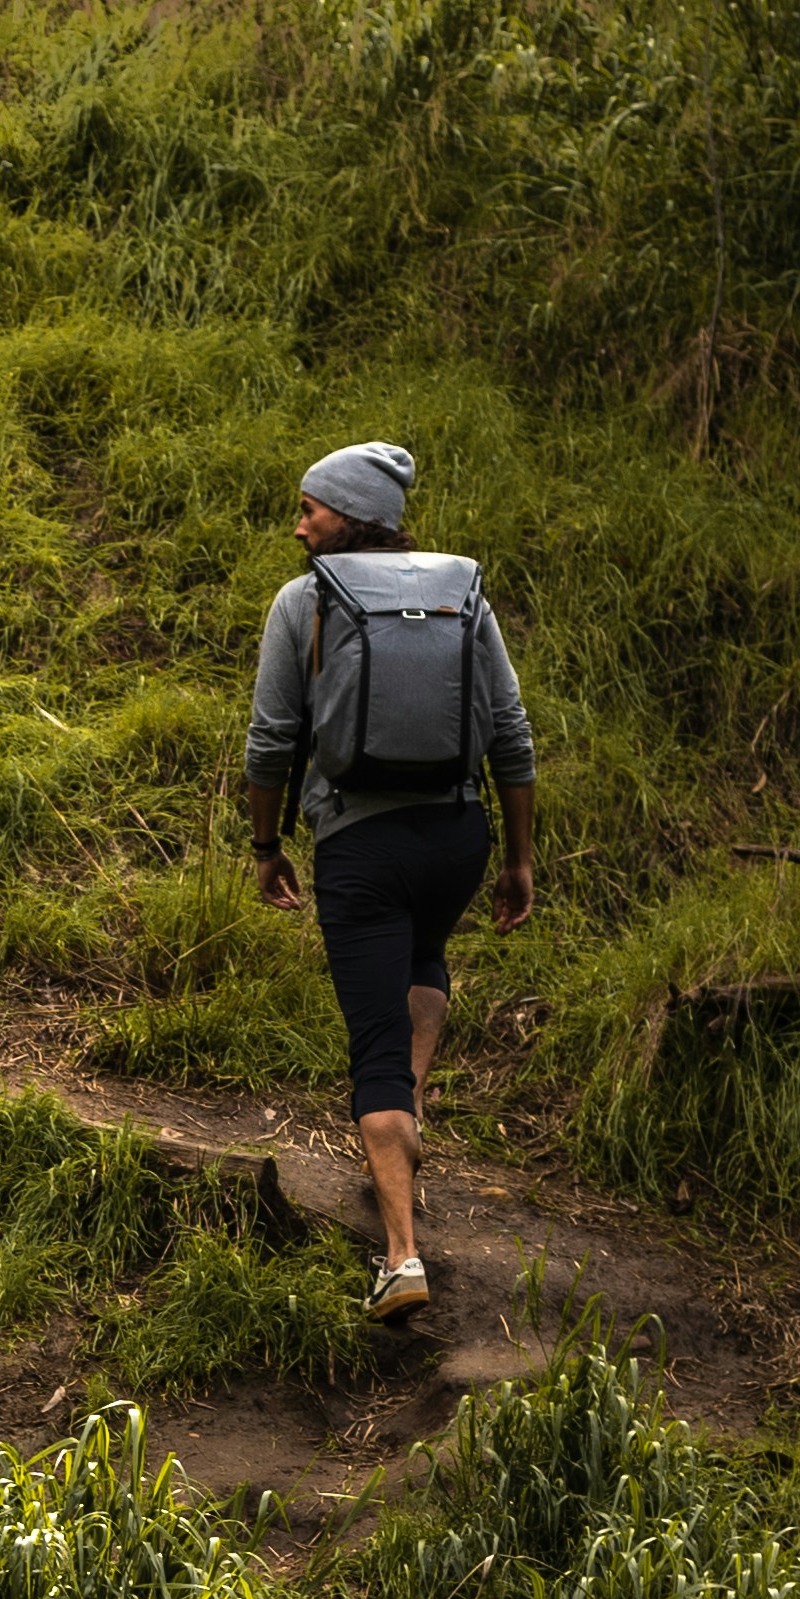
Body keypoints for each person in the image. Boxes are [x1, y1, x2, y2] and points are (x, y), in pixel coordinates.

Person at [241, 439, 537, 1318]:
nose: (299, 527)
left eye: (310, 511)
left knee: (372, 1049)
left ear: (353, 518)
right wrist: (518, 860)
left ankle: (401, 1258)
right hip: (458, 838)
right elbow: (513, 736)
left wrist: (266, 847)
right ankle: (406, 1127)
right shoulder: (461, 592)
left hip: (361, 850)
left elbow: (269, 744)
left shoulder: (305, 603)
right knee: (424, 959)